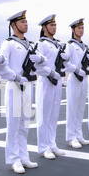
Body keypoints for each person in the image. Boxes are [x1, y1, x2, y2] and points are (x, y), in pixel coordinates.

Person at [0, 10, 39, 174]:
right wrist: (16, 77)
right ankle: (14, 159)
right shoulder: (8, 43)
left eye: (26, 21)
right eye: (22, 22)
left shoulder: (30, 44)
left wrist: (40, 60)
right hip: (15, 86)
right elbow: (2, 67)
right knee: (14, 124)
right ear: (14, 25)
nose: (26, 24)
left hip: (28, 85)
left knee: (24, 123)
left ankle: (24, 155)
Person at [61, 18, 89, 149]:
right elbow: (65, 63)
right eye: (79, 28)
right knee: (72, 109)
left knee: (80, 109)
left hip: (84, 78)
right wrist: (77, 70)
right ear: (73, 30)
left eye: (82, 28)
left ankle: (78, 134)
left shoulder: (84, 46)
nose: (81, 30)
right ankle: (71, 136)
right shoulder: (70, 45)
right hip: (74, 78)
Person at [34, 14, 66, 159]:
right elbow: (38, 67)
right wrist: (52, 73)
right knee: (44, 115)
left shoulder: (57, 44)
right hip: (46, 81)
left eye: (55, 25)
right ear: (44, 27)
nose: (54, 27)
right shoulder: (41, 43)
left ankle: (52, 143)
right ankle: (43, 147)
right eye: (51, 25)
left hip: (57, 81)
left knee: (54, 115)